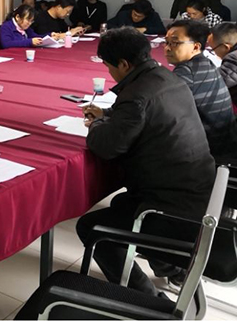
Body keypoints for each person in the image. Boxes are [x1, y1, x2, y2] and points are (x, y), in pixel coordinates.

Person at [78, 27, 215, 296]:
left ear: (124, 64)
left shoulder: (136, 94)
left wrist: (95, 124)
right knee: (120, 205)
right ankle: (174, 270)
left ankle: (144, 298)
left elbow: (107, 146)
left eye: (109, 66)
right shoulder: (165, 76)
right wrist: (108, 114)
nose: (109, 72)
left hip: (172, 208)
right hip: (198, 192)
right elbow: (144, 113)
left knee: (91, 226)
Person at [164, 20, 236, 165]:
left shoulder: (186, 72)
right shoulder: (206, 63)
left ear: (196, 46)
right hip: (225, 138)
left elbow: (162, 113)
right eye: (167, 42)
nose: (167, 48)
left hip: (211, 151)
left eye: (175, 43)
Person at [208, 22, 237, 111]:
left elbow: (216, 82)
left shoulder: (233, 58)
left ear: (226, 47)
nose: (213, 53)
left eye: (213, 49)